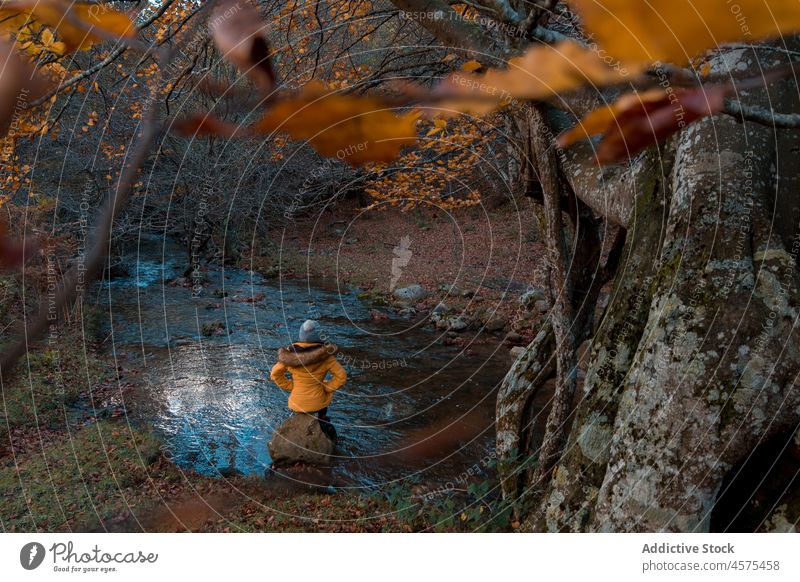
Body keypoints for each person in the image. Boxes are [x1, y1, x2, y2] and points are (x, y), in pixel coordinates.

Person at [270, 320, 346, 439]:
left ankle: (299, 425)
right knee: (324, 388)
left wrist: (291, 386)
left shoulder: (289, 356)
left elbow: (275, 374)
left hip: (296, 402)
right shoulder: (326, 357)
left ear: (301, 336)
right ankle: (322, 420)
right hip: (318, 402)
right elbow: (341, 377)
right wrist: (326, 387)